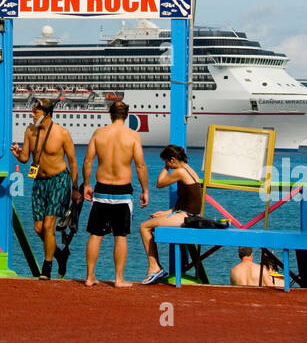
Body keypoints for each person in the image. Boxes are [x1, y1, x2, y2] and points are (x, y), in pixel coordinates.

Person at [82, 100, 148, 287]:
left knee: (95, 234)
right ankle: (119, 278)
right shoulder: (133, 136)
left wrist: (87, 184)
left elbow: (88, 161)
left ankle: (89, 277)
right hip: (122, 190)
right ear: (126, 115)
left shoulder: (99, 133)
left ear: (110, 114)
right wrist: (145, 190)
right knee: (120, 235)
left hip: (101, 188)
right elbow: (140, 165)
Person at [11, 99, 77, 279]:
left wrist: (75, 187)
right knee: (39, 229)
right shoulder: (29, 131)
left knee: (49, 226)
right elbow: (26, 158)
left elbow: (72, 161)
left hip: (59, 180)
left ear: (47, 114)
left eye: (36, 112)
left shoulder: (62, 133)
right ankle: (60, 255)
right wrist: (18, 154)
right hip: (39, 182)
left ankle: (46, 268)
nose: (31, 115)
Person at [139, 144, 204, 285]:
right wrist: (166, 213)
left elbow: (159, 183)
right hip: (186, 213)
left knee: (144, 227)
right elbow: (188, 201)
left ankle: (155, 268)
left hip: (185, 217)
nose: (167, 165)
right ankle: (156, 267)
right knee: (153, 221)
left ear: (173, 160)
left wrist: (165, 168)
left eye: (167, 161)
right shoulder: (190, 170)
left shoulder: (180, 171)